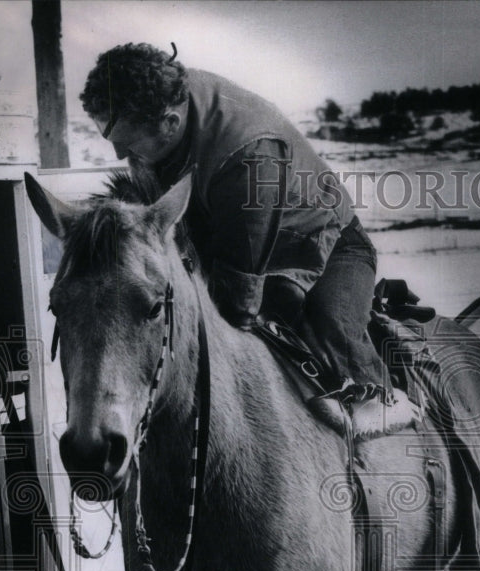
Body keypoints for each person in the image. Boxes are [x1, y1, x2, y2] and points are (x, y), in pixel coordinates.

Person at [80, 43, 415, 437]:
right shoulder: (160, 101)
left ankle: (384, 407)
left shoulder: (249, 152)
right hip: (224, 231)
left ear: (170, 121)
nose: (119, 152)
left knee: (329, 329)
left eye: (127, 142)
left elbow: (240, 297)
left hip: (322, 242)